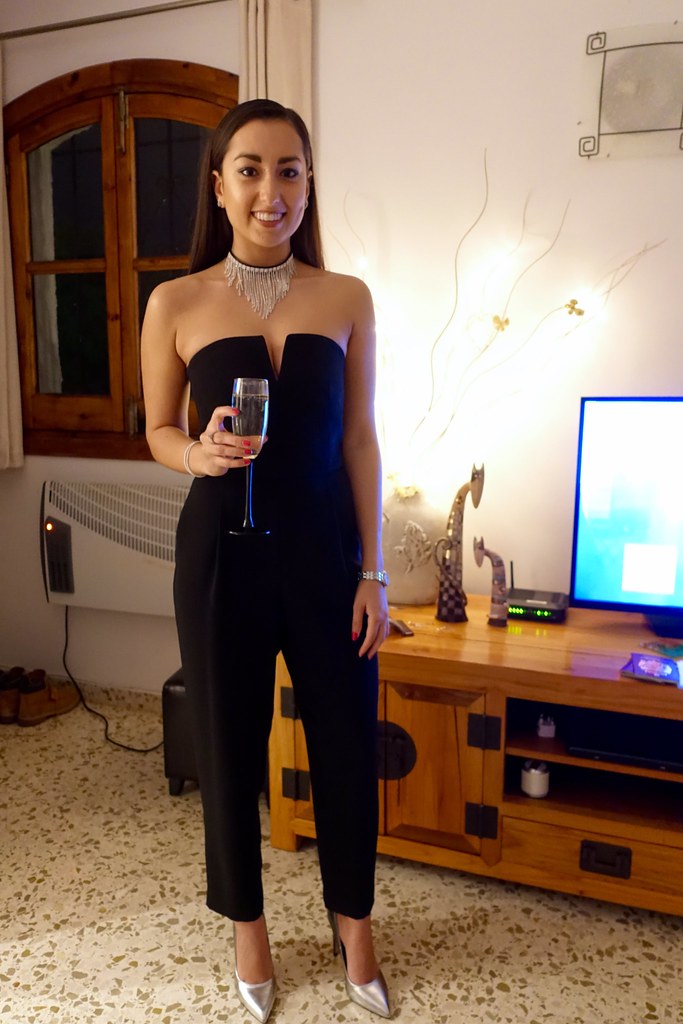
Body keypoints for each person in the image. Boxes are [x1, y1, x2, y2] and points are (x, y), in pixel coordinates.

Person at [141, 98, 392, 1022]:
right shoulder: (176, 302)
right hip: (221, 559)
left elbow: (359, 440)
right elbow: (156, 429)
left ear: (308, 183)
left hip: (327, 560)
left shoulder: (346, 297)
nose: (269, 191)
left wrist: (374, 572)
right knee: (227, 745)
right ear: (218, 185)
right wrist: (196, 452)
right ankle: (247, 928)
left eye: (288, 170)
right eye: (249, 170)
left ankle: (353, 923)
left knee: (346, 745)